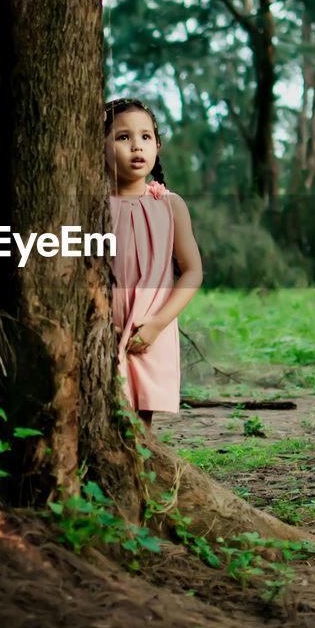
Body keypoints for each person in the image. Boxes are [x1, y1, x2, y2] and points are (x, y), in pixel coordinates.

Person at [104, 98, 203, 428]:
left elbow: (192, 271)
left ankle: (142, 478)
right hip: (103, 328)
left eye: (146, 137)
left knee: (140, 422)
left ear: (157, 146)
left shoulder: (170, 205)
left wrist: (158, 324)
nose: (136, 146)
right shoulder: (94, 206)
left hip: (149, 328)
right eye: (123, 137)